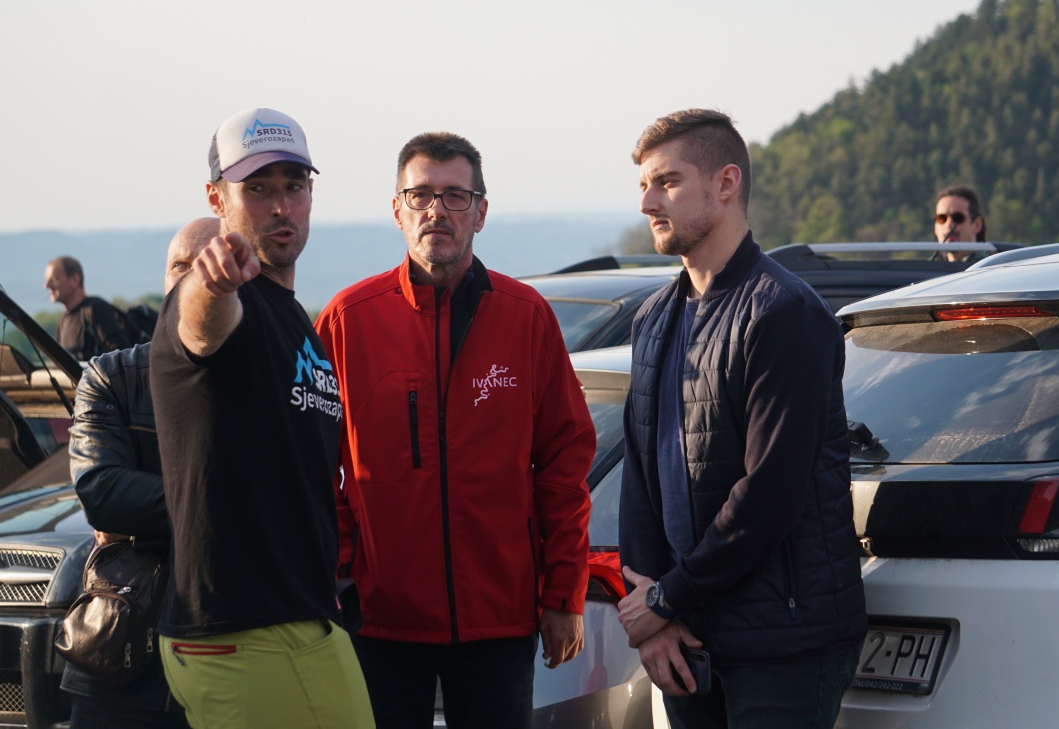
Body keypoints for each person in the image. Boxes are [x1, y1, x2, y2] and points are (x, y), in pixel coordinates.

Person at [315, 131, 597, 729]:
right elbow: (314, 465)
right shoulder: (347, 320)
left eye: (455, 196)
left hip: (500, 621)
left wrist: (563, 594)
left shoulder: (526, 317)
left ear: (481, 212)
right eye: (419, 194)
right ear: (397, 210)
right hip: (380, 622)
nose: (436, 210)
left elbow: (565, 465)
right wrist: (343, 574)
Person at [615, 109, 867, 728]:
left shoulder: (784, 313)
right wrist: (654, 619)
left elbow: (770, 496)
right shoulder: (652, 319)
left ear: (726, 183)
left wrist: (666, 597)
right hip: (685, 642)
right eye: (643, 185)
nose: (648, 202)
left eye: (667, 182)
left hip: (781, 643)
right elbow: (639, 477)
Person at [149, 107, 374, 728]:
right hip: (246, 630)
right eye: (257, 189)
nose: (280, 206)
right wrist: (213, 283)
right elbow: (201, 323)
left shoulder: (292, 314)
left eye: (293, 186)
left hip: (292, 620)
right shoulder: (228, 300)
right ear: (216, 198)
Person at [60, 217, 218, 728]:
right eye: (179, 265)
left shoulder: (268, 377)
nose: (192, 276)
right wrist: (229, 508)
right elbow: (102, 491)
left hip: (231, 646)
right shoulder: (111, 375)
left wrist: (145, 517)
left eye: (209, 263)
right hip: (120, 648)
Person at [45, 256, 135, 360]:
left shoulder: (96, 309)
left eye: (54, 279)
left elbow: (122, 352)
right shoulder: (63, 320)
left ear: (75, 280)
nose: (47, 286)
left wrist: (78, 359)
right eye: (47, 281)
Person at [932, 184, 987, 263]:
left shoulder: (992, 266)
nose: (949, 224)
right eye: (942, 218)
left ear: (977, 224)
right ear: (935, 228)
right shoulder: (927, 269)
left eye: (958, 218)